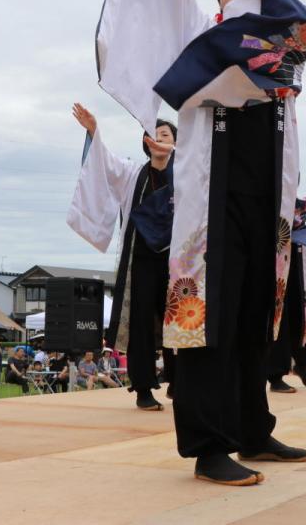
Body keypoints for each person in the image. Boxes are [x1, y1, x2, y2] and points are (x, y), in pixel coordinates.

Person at [96, 0, 306, 486]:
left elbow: (299, 21)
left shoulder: (284, 50)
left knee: (252, 311)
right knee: (208, 311)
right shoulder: (199, 30)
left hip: (265, 186)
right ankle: (209, 442)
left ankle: (253, 426)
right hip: (212, 186)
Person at [67, 102, 177, 412]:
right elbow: (103, 162)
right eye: (153, 134)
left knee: (177, 319)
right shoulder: (132, 173)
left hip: (175, 259)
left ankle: (179, 382)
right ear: (145, 142)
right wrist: (94, 130)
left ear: (176, 143)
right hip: (140, 257)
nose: (158, 138)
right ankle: (143, 387)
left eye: (165, 134)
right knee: (140, 321)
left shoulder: (184, 174)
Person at [268, 198, 306, 392]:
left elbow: (301, 215)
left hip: (299, 252)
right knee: (280, 314)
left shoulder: (303, 203)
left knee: (304, 310)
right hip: (277, 253)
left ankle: (302, 363)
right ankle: (275, 374)